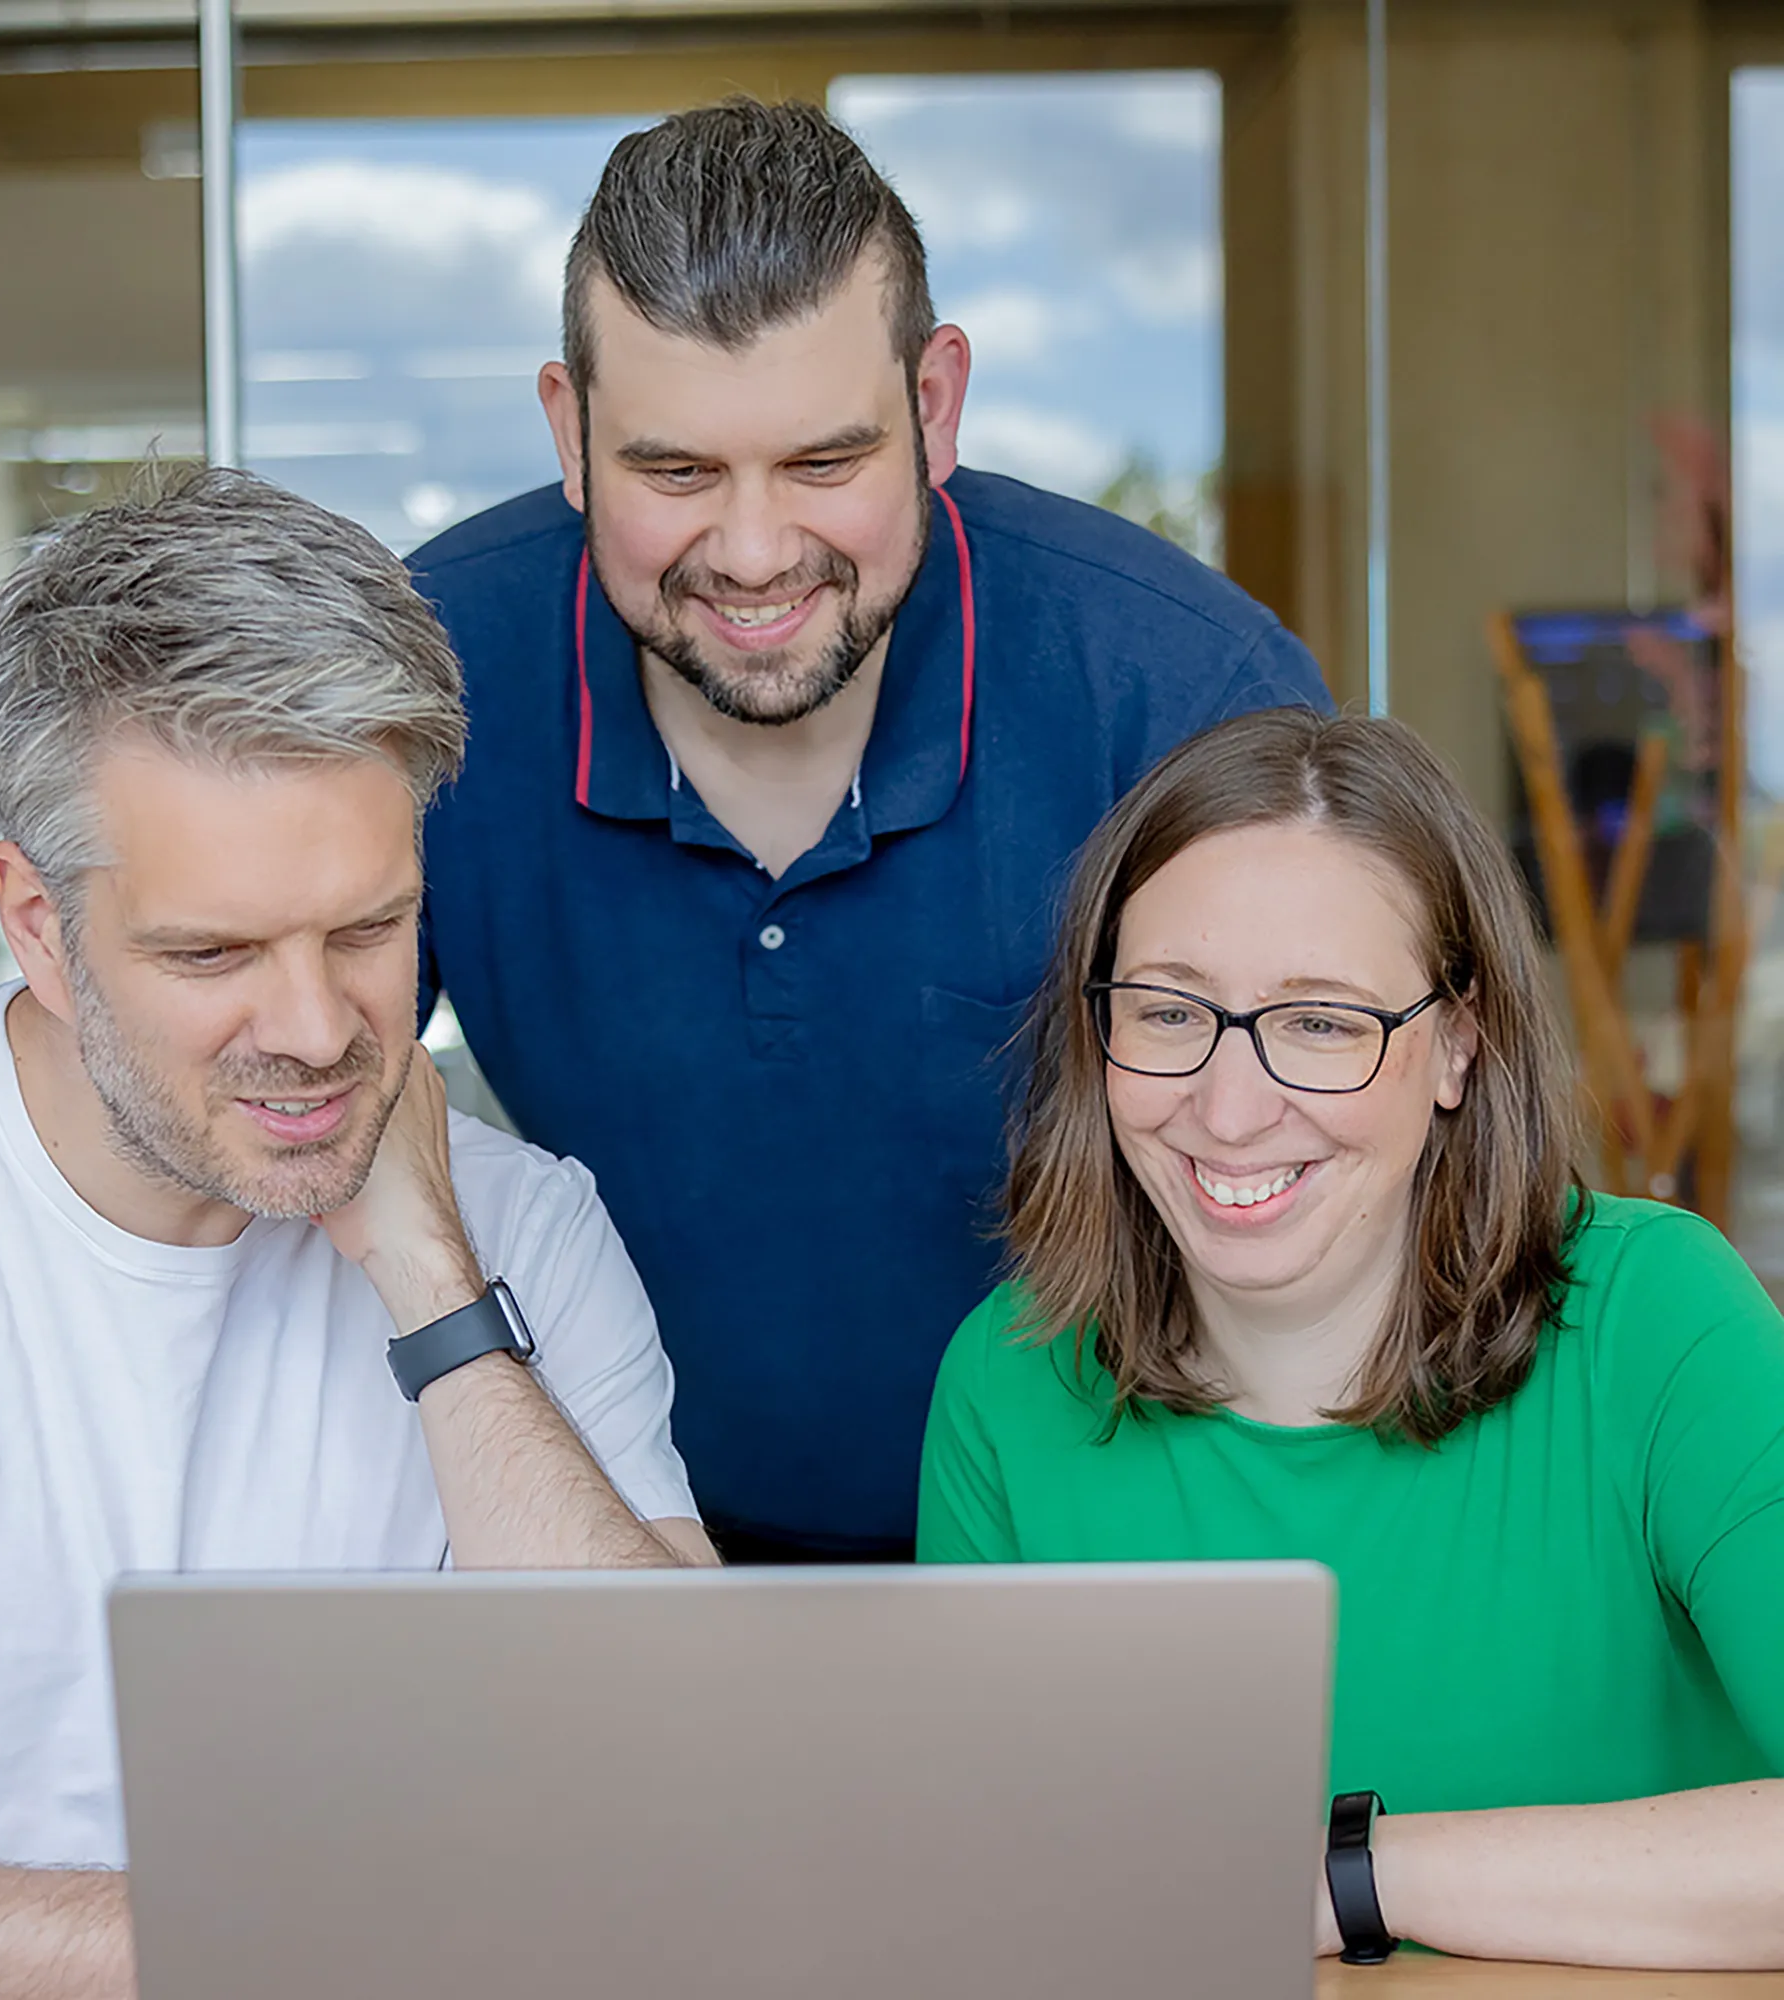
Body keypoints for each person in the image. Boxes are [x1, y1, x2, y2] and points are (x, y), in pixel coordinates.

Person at [0, 468, 713, 2000]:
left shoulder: (519, 1229)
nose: (316, 1028)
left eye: (366, 932)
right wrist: (219, 1943)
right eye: (212, 952)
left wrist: (434, 1282)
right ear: (38, 926)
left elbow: (690, 1806)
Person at [408, 97, 1331, 1561]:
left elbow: (1349, 1174)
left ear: (936, 406)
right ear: (568, 433)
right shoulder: (424, 682)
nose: (757, 553)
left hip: (1114, 1538)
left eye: (825, 464)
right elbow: (287, 1114)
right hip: (627, 1540)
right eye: (677, 473)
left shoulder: (1181, 691)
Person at [919, 707, 1784, 1969]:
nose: (1226, 1107)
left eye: (1319, 1022)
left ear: (1455, 1041)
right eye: (1165, 1011)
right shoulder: (1009, 1374)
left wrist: (1347, 1879)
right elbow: (978, 1898)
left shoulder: (1659, 1321)